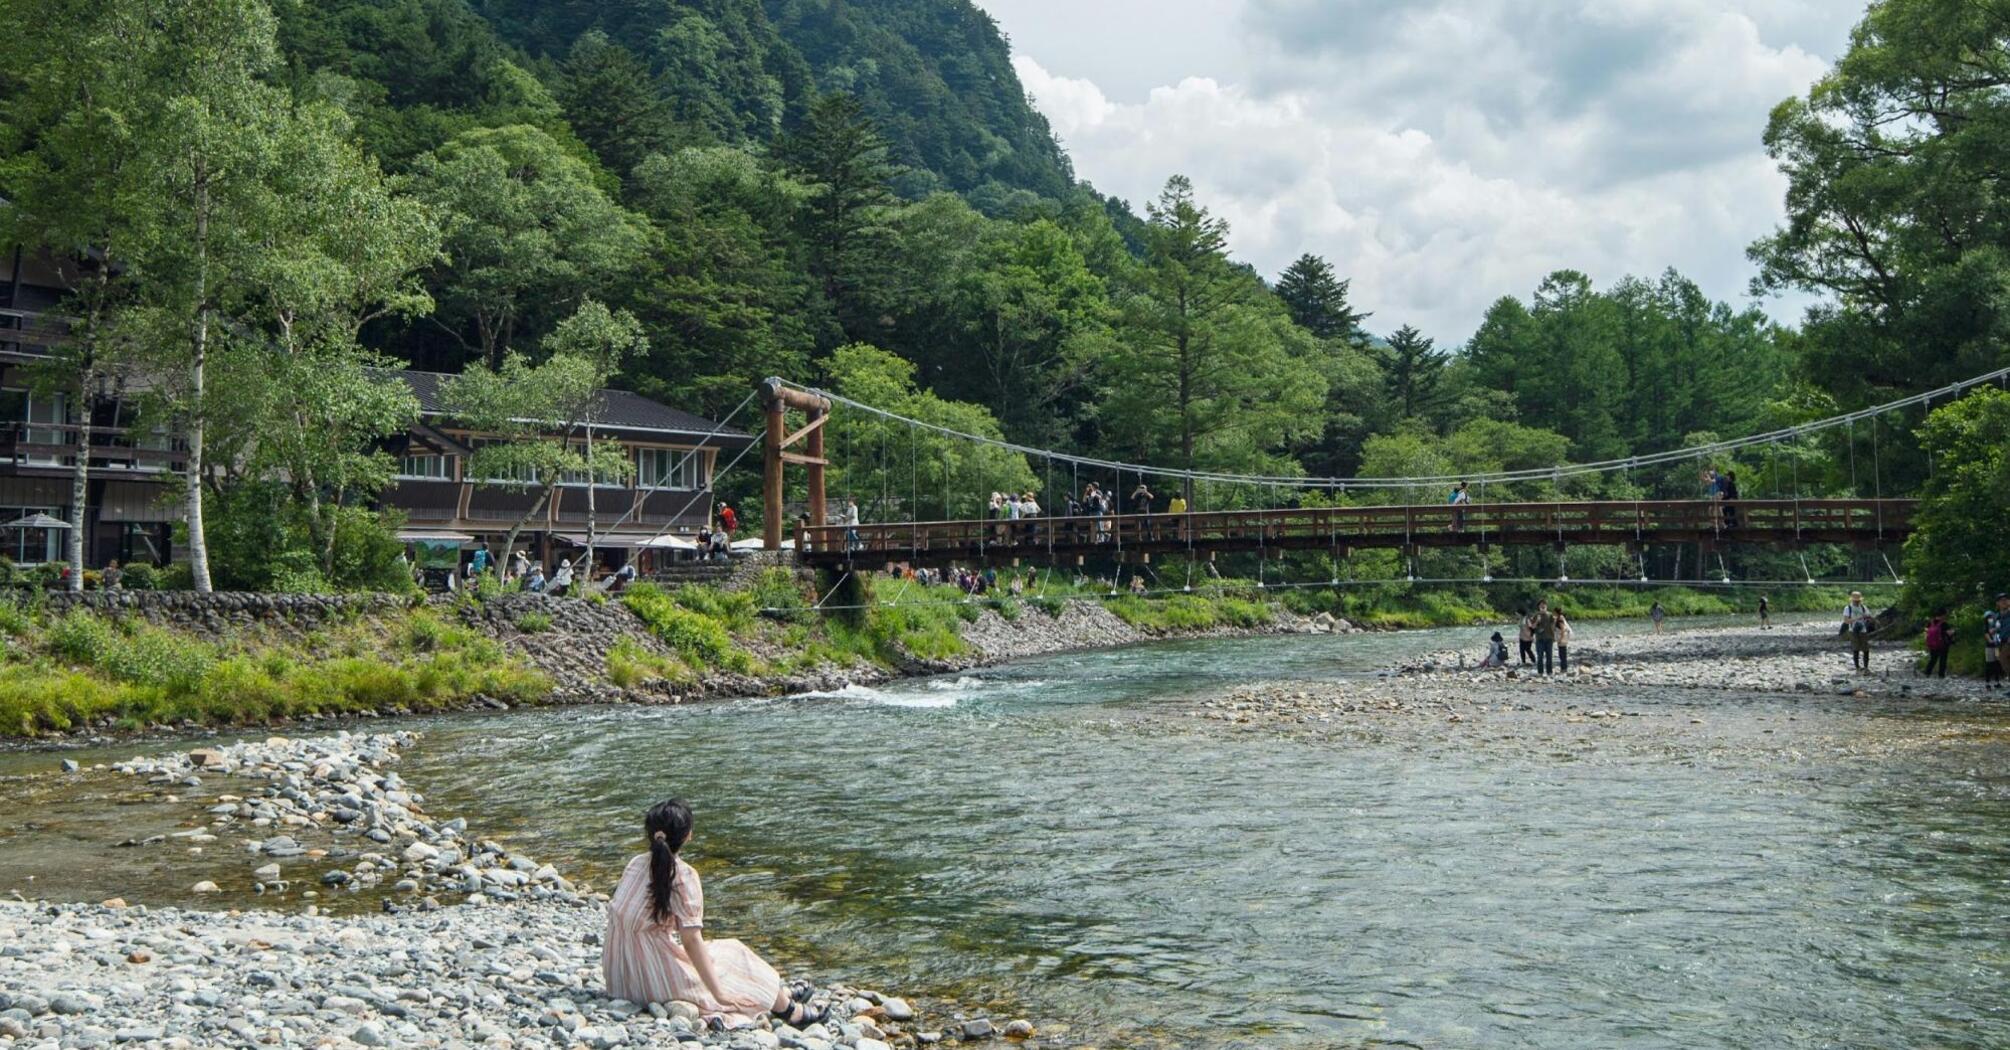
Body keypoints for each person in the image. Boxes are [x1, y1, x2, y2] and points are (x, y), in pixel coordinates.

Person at [603, 799, 828, 1031]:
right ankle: (789, 1010)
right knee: (735, 953)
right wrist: (719, 994)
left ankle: (777, 993)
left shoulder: (635, 863)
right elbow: (691, 941)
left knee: (719, 957)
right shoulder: (684, 876)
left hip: (620, 977)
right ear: (688, 835)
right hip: (649, 979)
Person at [1842, 590, 1873, 672]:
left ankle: (1866, 667)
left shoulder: (1864, 607)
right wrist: (1857, 619)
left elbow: (1869, 617)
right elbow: (1846, 621)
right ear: (1852, 600)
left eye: (1858, 600)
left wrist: (1868, 618)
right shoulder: (1847, 608)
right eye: (1856, 600)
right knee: (1856, 649)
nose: (1857, 602)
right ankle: (1857, 667)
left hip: (1863, 630)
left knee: (1866, 649)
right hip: (1853, 631)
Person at [1987, 594, 2010, 690]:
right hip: (2000, 643)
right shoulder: (1996, 616)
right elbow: (1991, 629)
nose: (2004, 602)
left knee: (2004, 660)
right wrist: (1993, 630)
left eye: (2006, 599)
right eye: (2001, 600)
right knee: (2004, 663)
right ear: (1997, 603)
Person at [1922, 610, 1952, 679]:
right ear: (1942, 615)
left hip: (1932, 644)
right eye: (1945, 615)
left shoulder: (1930, 623)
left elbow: (1926, 632)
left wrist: (1927, 642)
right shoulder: (1944, 624)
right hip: (1943, 644)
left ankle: (1927, 673)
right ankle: (1941, 675)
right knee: (1943, 659)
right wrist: (1953, 632)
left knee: (1933, 659)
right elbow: (1949, 633)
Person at [1532, 600, 1555, 676]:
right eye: (1541, 605)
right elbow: (1533, 627)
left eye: (1544, 605)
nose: (1543, 607)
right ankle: (1540, 672)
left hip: (1549, 638)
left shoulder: (1550, 615)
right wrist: (1537, 621)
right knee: (1540, 656)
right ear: (1539, 607)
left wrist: (1555, 636)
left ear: (1546, 606)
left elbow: (1553, 626)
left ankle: (1549, 672)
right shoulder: (1536, 615)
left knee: (1549, 656)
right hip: (1540, 639)